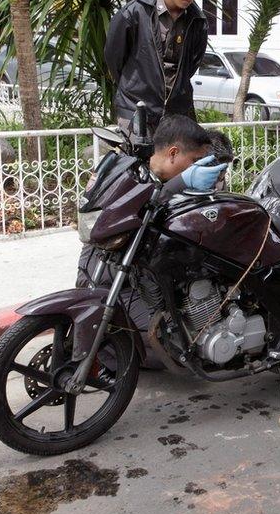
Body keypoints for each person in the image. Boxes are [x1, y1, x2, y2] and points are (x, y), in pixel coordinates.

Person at [76, 115, 228, 366]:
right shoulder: (135, 177)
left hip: (111, 277)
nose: (196, 168)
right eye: (194, 161)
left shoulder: (144, 171)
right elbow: (149, 204)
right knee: (174, 348)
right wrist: (183, 182)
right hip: (111, 281)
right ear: (173, 153)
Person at [105, 0, 209, 134]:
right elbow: (114, 59)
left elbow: (191, 65)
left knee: (176, 162)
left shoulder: (198, 21)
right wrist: (137, 84)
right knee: (136, 162)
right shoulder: (134, 13)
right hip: (135, 110)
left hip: (177, 113)